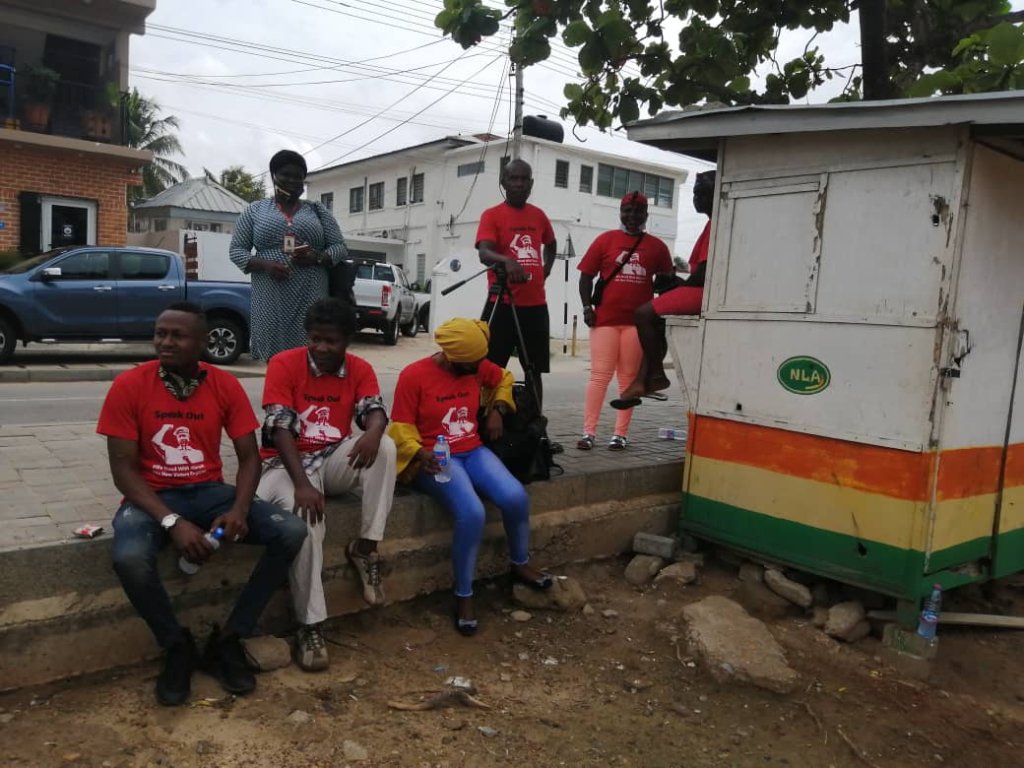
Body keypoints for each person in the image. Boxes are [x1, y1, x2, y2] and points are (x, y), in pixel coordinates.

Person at [99, 302, 308, 707]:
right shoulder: (130, 385)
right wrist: (171, 521)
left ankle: (229, 639)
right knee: (129, 558)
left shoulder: (224, 385)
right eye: (161, 333)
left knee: (291, 530)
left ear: (203, 341)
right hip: (151, 497)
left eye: (177, 335)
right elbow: (123, 471)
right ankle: (177, 646)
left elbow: (249, 457)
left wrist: (240, 510)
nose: (165, 342)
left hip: (209, 491)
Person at [388, 318, 552, 636]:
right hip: (433, 458)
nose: (479, 367)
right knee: (472, 513)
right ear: (451, 356)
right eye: (473, 363)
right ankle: (464, 595)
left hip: (472, 449)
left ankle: (519, 564)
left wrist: (497, 409)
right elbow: (401, 425)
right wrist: (417, 452)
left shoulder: (475, 365)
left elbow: (503, 377)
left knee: (515, 496)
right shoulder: (414, 376)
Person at [257, 298, 397, 671]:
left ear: (347, 341)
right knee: (308, 525)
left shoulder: (359, 368)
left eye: (331, 341)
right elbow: (280, 427)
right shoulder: (284, 364)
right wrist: (303, 484)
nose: (321, 348)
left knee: (384, 446)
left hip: (331, 457)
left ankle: (367, 548)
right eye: (315, 339)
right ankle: (311, 624)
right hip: (284, 465)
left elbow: (373, 409)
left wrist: (373, 431)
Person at [576, 191, 673, 451]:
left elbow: (666, 284)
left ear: (646, 215)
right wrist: (587, 308)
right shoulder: (605, 241)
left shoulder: (657, 247)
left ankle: (619, 434)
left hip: (636, 325)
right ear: (620, 212)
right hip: (604, 321)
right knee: (599, 376)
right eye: (627, 212)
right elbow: (586, 277)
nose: (632, 217)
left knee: (628, 380)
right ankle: (588, 432)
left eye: (638, 212)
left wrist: (660, 314)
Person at [229, 149, 348, 362]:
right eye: (286, 174)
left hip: (311, 294)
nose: (292, 180)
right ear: (274, 175)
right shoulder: (255, 210)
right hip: (269, 296)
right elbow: (236, 250)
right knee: (276, 360)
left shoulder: (317, 210)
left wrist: (316, 258)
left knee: (313, 353)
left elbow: (339, 247)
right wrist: (265, 265)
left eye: (298, 176)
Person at [476, 160, 560, 450]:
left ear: (531, 183)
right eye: (514, 179)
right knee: (490, 367)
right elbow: (484, 252)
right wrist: (506, 260)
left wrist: (545, 269)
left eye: (525, 179)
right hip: (501, 303)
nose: (520, 184)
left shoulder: (539, 216)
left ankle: (536, 430)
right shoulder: (492, 215)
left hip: (535, 304)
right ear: (504, 181)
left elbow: (551, 243)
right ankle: (482, 426)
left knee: (533, 370)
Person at [614, 170, 716, 407]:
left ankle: (657, 374)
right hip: (700, 287)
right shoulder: (710, 223)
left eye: (702, 193)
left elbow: (704, 272)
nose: (696, 199)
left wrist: (680, 285)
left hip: (704, 292)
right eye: (694, 193)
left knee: (643, 314)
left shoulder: (716, 223)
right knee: (657, 321)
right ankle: (643, 380)